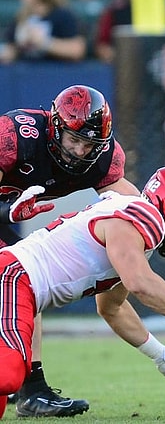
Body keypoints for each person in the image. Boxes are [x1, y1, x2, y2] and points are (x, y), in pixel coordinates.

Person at [0, 165, 165, 419]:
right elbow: (140, 283)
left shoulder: (130, 225)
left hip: (19, 283)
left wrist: (160, 354)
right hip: (13, 277)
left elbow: (112, 309)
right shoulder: (138, 215)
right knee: (8, 376)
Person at [0, 84, 141, 417]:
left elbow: (130, 203)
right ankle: (29, 387)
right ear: (55, 128)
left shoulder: (103, 158)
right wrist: (7, 212)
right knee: (18, 275)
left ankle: (28, 387)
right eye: (75, 140)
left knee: (24, 280)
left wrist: (157, 230)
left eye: (90, 145)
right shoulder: (13, 138)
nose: (80, 152)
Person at [0, 0, 86, 63]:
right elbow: (11, 48)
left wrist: (44, 42)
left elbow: (77, 50)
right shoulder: (21, 16)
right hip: (26, 73)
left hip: (55, 73)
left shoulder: (62, 15)